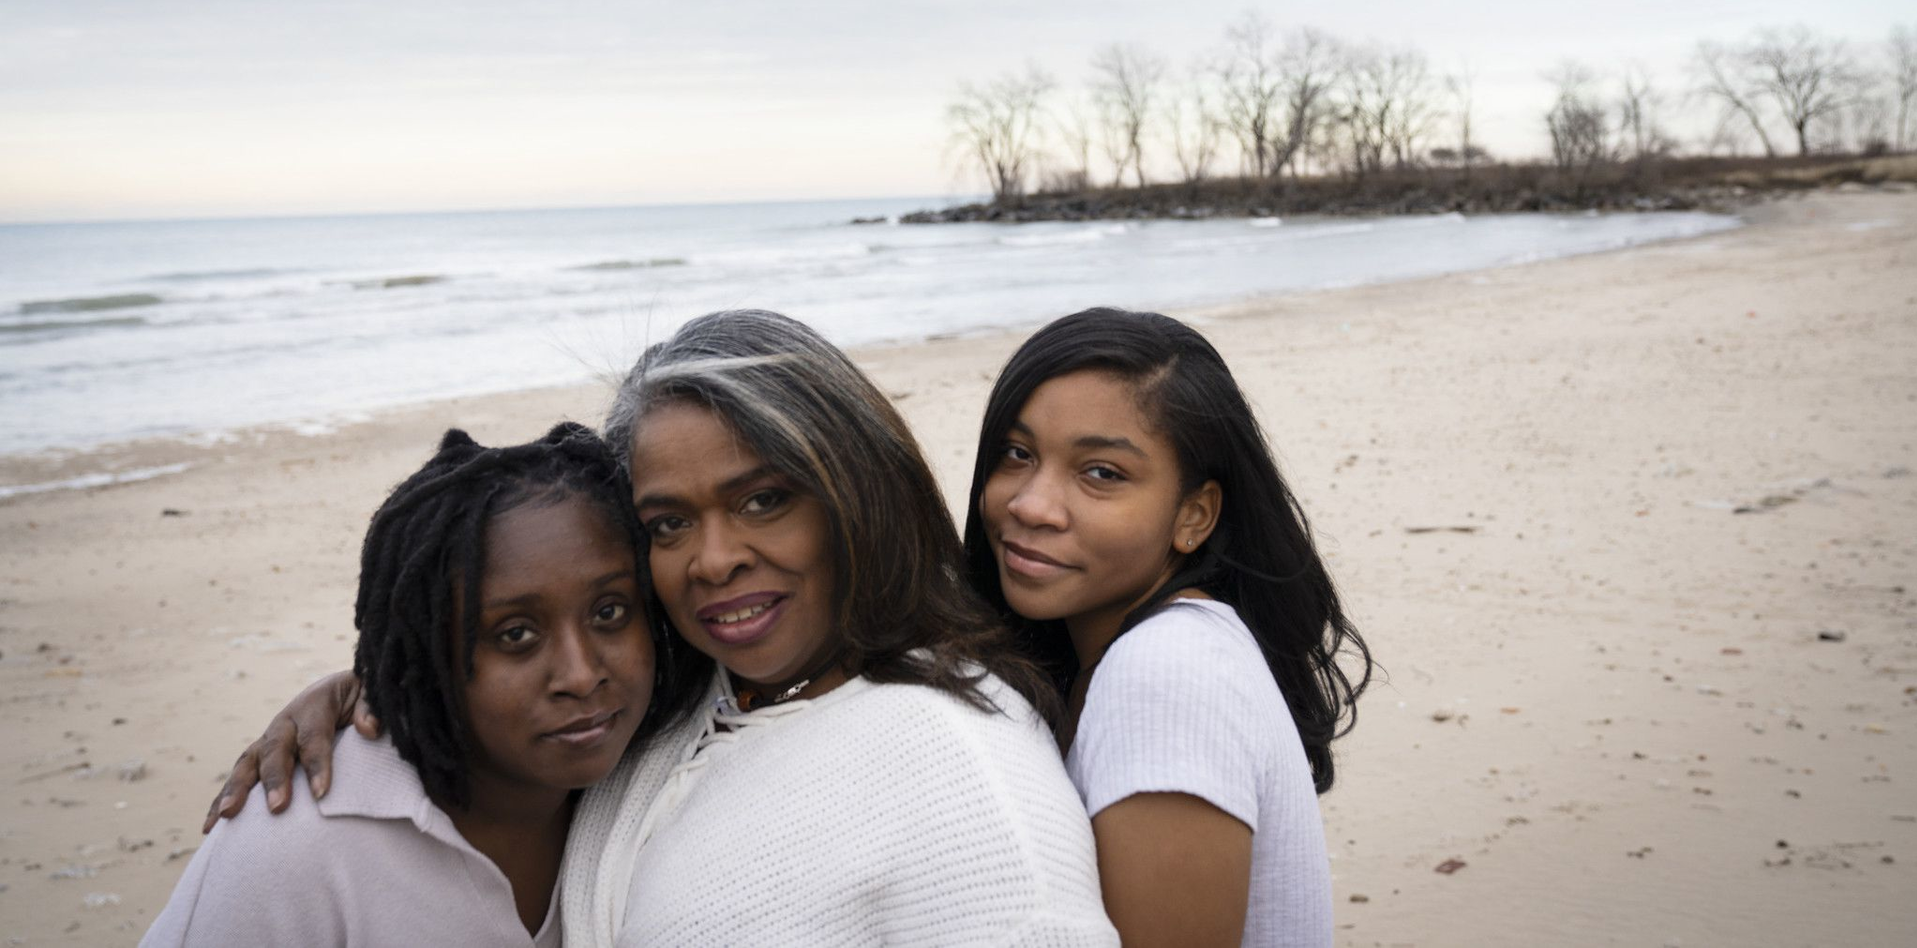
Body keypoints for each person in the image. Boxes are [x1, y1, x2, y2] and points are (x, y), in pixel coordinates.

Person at [204, 310, 1118, 947]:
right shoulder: (680, 698)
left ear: (857, 494)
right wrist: (375, 680)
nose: (712, 560)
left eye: (762, 500)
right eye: (668, 523)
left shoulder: (970, 780)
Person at [145, 423, 665, 946]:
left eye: (610, 611)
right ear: (429, 649)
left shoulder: (657, 774)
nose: (581, 675)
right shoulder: (291, 848)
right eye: (516, 634)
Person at [961, 307, 1372, 948]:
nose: (1030, 504)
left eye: (1101, 473)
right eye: (1018, 454)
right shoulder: (1152, 649)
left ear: (1194, 515)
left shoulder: (1165, 675)